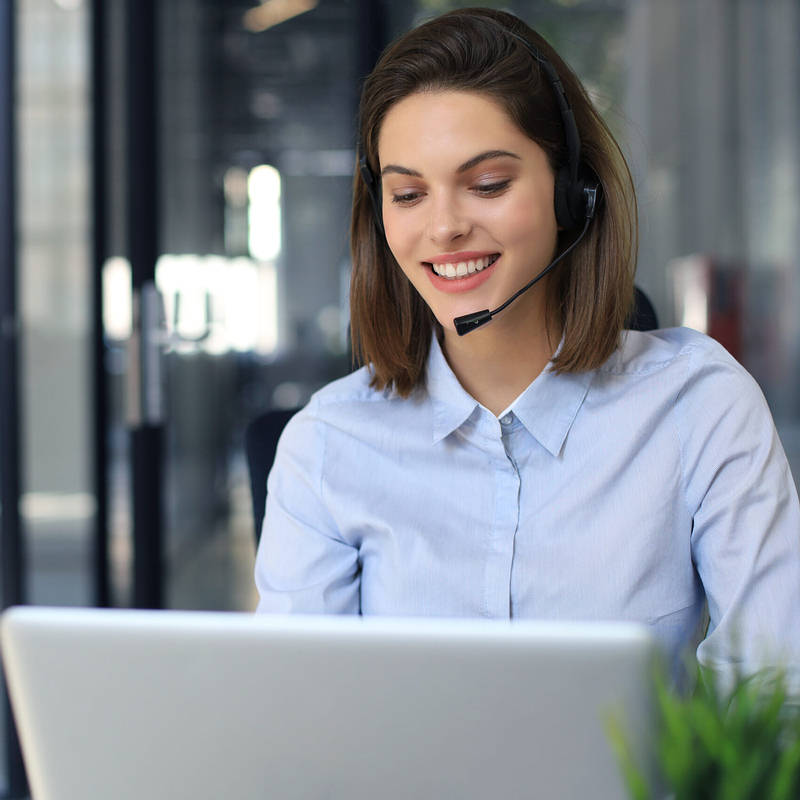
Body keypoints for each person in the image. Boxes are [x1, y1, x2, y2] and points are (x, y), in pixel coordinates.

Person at [254, 7, 800, 680]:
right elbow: (300, 719)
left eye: (487, 184)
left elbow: (775, 699)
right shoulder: (328, 446)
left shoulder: (699, 407)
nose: (445, 226)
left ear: (573, 194)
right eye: (408, 194)